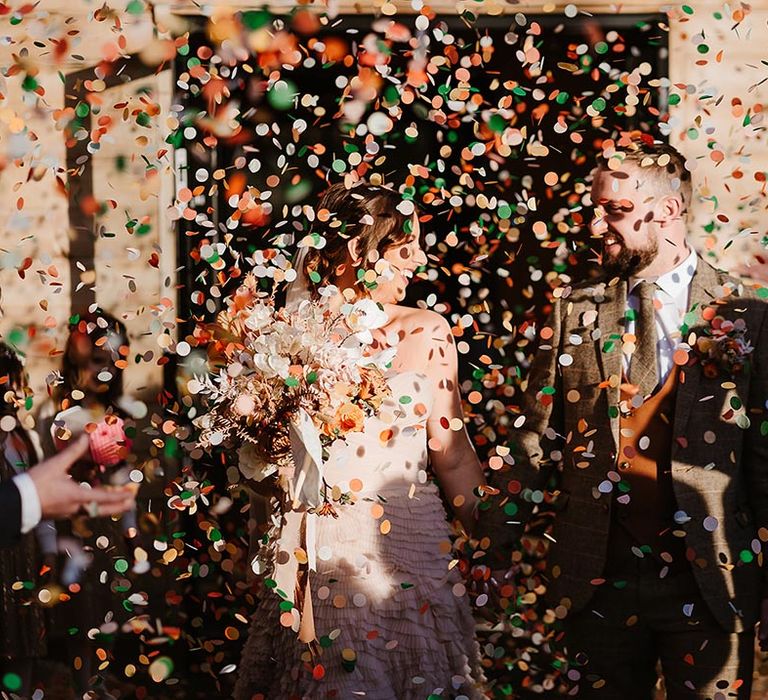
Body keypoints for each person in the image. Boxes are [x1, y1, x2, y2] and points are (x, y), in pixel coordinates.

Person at [478, 139, 768, 698]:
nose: (596, 226)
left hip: (712, 580)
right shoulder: (574, 310)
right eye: (598, 209)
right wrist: (492, 552)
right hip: (597, 581)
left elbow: (764, 462)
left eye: (615, 211)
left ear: (668, 211)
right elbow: (535, 443)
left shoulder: (746, 314)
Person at [234, 182, 487, 699]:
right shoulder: (287, 338)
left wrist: (496, 533)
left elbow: (453, 452)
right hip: (322, 550)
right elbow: (263, 469)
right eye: (404, 248)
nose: (418, 259)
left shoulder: (426, 331)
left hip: (410, 545)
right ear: (357, 249)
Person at [37, 310, 142, 695]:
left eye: (115, 360)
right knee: (80, 617)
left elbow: (122, 479)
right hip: (72, 526)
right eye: (100, 360)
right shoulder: (57, 415)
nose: (109, 369)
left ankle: (98, 684)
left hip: (110, 526)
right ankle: (84, 687)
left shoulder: (117, 414)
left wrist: (131, 529)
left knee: (112, 609)